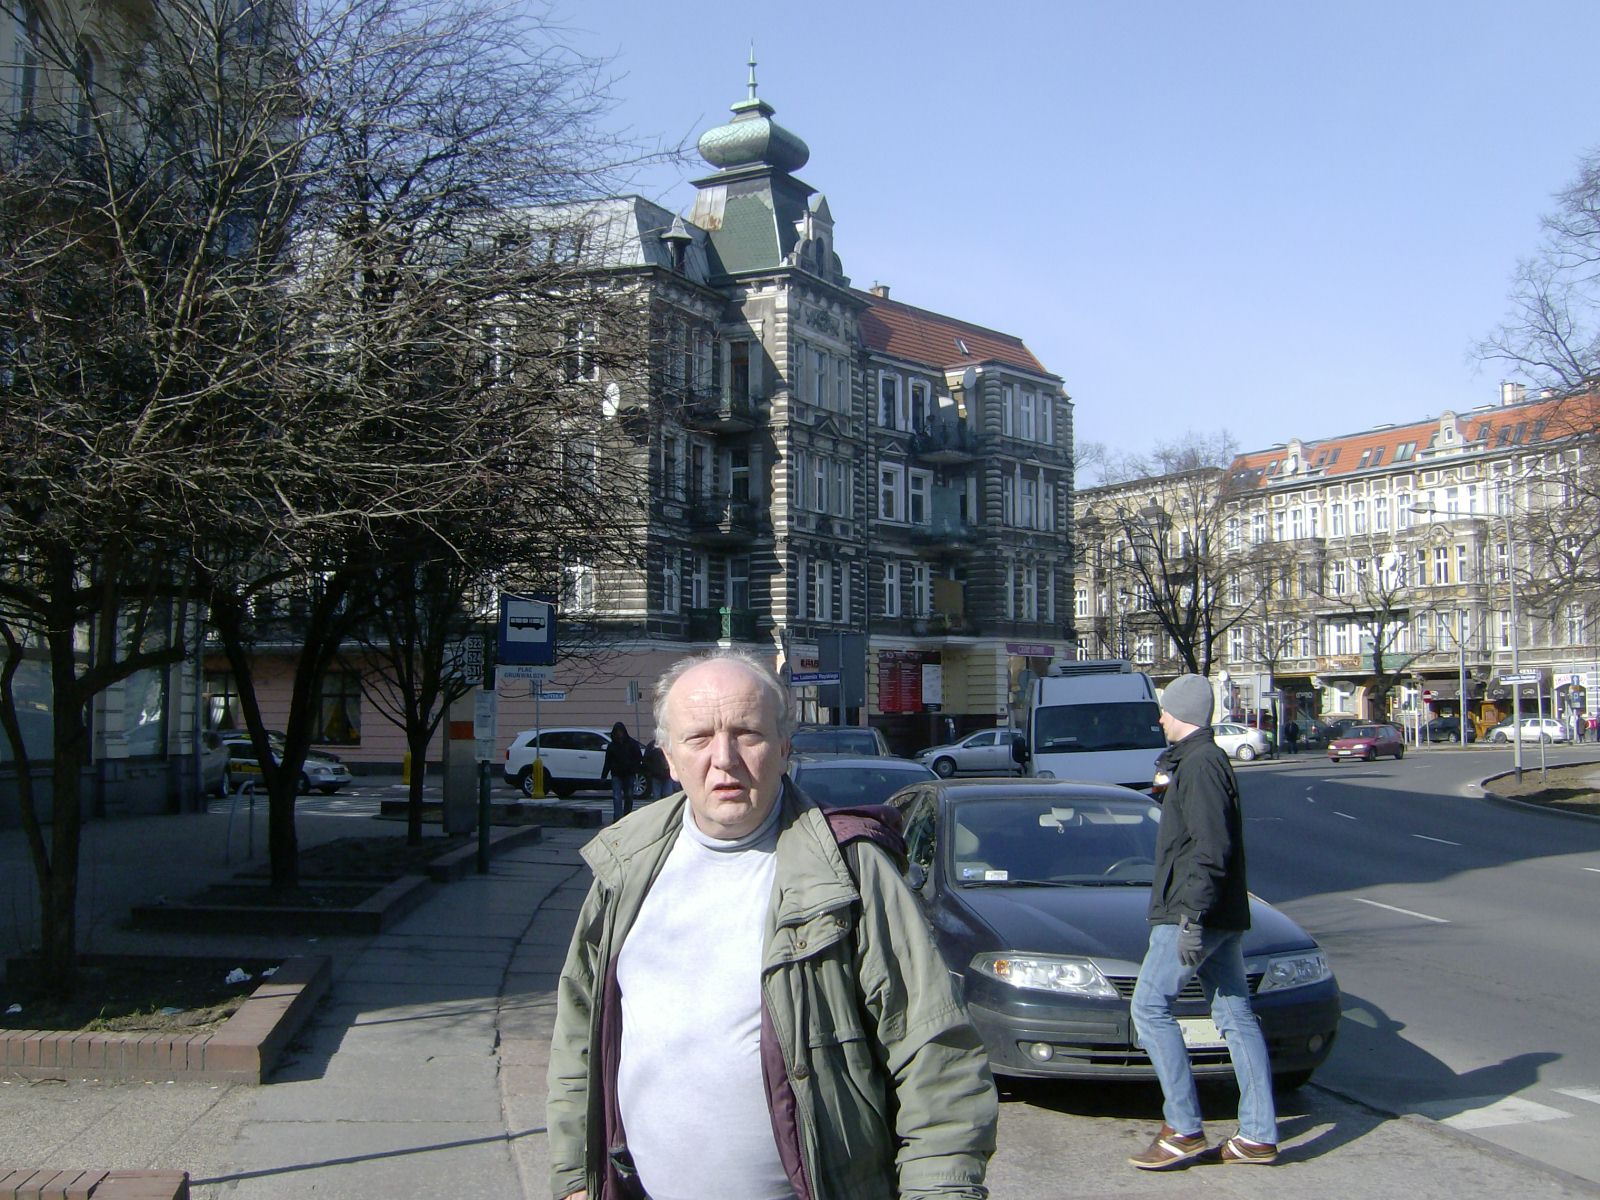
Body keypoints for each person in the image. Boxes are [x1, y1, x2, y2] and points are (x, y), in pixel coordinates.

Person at [546, 649, 998, 1200]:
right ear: (668, 756)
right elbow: (578, 1039)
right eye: (699, 738)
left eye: (748, 734)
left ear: (785, 748)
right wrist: (575, 1180)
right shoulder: (625, 864)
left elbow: (935, 1054)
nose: (724, 758)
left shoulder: (851, 870)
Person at [1129, 674, 1278, 1170]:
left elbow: (1211, 850)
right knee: (1235, 1016)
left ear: (1184, 713)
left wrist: (1191, 917)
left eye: (1166, 711)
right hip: (1219, 911)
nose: (1160, 718)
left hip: (1193, 911)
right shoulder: (1192, 762)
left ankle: (1184, 1128)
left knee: (1149, 1007)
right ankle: (1257, 1134)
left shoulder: (1201, 764)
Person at [600, 720, 643, 824]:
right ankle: (618, 818)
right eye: (617, 732)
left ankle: (627, 816)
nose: (619, 734)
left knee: (629, 795)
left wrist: (635, 768)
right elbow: (608, 761)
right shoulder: (612, 746)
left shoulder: (631, 744)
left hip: (629, 773)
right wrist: (604, 775)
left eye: (621, 731)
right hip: (617, 774)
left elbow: (639, 758)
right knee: (617, 797)